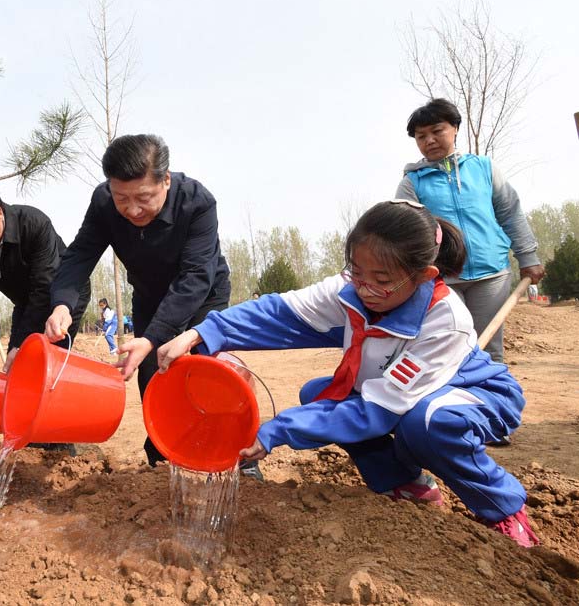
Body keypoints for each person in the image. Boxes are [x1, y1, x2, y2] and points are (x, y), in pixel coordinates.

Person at [158, 200, 539, 548]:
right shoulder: (349, 291)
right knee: (319, 395)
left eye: (383, 278)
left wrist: (276, 430)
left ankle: (502, 509)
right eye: (357, 271)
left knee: (426, 426)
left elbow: (375, 410)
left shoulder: (444, 320)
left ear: (424, 275)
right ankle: (405, 484)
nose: (366, 288)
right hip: (396, 396)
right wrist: (201, 332)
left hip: (470, 392)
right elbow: (276, 313)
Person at [44, 134, 264, 479]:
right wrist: (61, 305)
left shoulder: (198, 202)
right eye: (122, 199)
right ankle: (165, 461)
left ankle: (241, 459)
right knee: (153, 377)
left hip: (203, 294)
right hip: (149, 296)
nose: (132, 210)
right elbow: (79, 256)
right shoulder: (103, 203)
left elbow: (195, 276)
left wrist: (154, 337)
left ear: (166, 180)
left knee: (210, 371)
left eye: (144, 198)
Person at [395, 98, 545, 363]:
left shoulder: (484, 168)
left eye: (436, 131)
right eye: (421, 136)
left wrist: (528, 257)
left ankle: (494, 402)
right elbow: (404, 235)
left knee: (491, 353)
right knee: (453, 352)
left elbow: (510, 212)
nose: (429, 140)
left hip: (492, 275)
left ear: (455, 128)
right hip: (442, 280)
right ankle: (458, 403)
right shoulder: (412, 183)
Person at [0, 182, 90, 372]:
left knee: (46, 358)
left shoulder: (33, 223)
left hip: (60, 296)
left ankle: (55, 397)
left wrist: (21, 345)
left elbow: (43, 286)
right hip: (25, 302)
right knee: (15, 363)